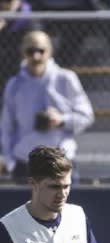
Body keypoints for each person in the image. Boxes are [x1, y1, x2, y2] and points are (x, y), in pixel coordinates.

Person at [1, 31, 94, 182]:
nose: (36, 56)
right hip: (25, 162)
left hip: (61, 160)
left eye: (41, 50)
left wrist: (61, 120)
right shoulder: (14, 84)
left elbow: (86, 116)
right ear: (23, 53)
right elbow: (6, 127)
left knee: (65, 206)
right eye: (30, 51)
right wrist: (11, 162)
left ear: (50, 51)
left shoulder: (66, 78)